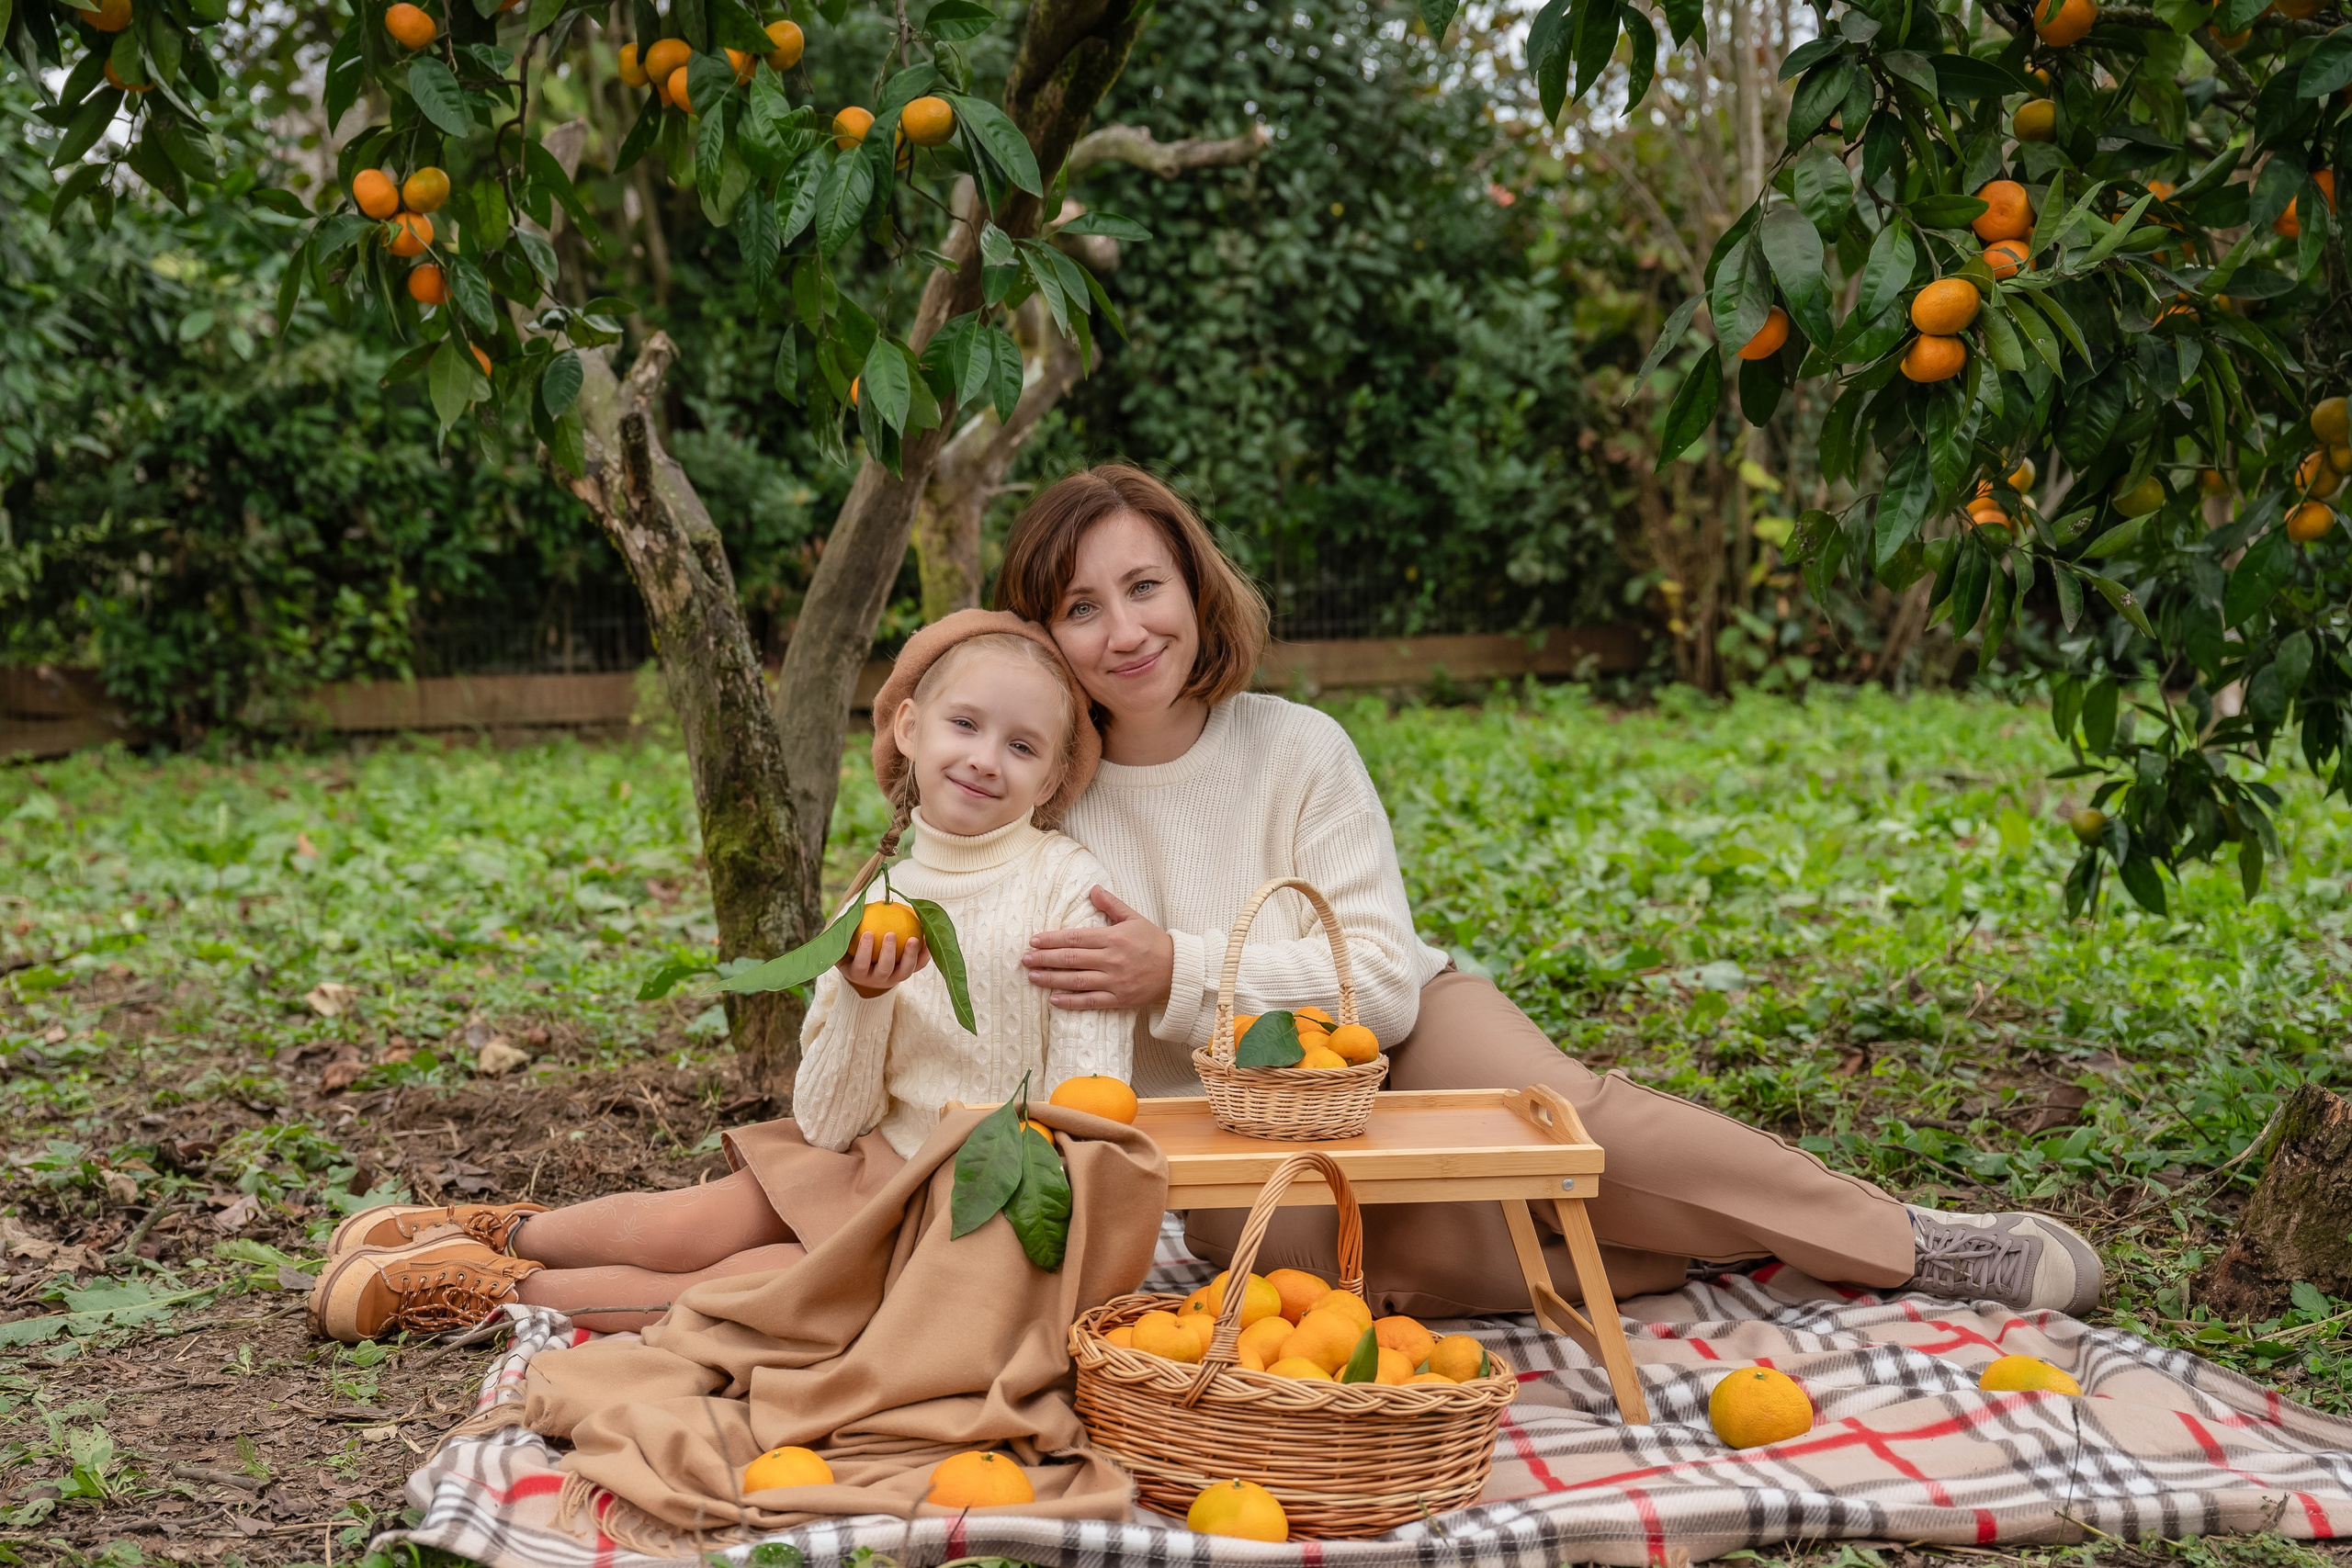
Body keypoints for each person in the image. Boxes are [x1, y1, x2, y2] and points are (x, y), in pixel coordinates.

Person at [999, 463, 2102, 1321]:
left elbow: (1378, 987)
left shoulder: (1296, 747)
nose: (1126, 630)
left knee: (1574, 1131)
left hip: (1399, 1037)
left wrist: (1175, 970)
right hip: (1235, 1131)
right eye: (1080, 608)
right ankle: (1718, 1246)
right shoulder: (1037, 806)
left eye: (1144, 586)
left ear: (1194, 588)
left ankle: (1906, 1240)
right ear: (1040, 638)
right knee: (1311, 1259)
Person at [306, 614, 1136, 1343]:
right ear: (911, 728)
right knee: (690, 1221)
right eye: (966, 723)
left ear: (1055, 776)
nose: (987, 759)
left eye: (1022, 745)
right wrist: (863, 994)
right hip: (872, 1161)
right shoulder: (881, 896)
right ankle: (496, 1232)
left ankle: (480, 1293)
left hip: (972, 1207)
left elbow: (1091, 1109)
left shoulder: (1066, 888)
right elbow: (826, 1119)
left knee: (736, 1288)